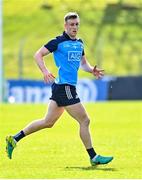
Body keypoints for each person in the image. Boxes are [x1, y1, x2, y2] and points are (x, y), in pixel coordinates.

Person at [6, 12, 113, 166]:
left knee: (48, 122)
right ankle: (93, 157)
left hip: (61, 87)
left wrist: (91, 70)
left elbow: (83, 64)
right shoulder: (58, 42)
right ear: (65, 26)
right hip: (65, 87)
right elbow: (38, 54)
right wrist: (44, 71)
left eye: (77, 24)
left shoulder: (80, 43)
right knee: (85, 120)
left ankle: (14, 139)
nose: (75, 27)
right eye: (72, 24)